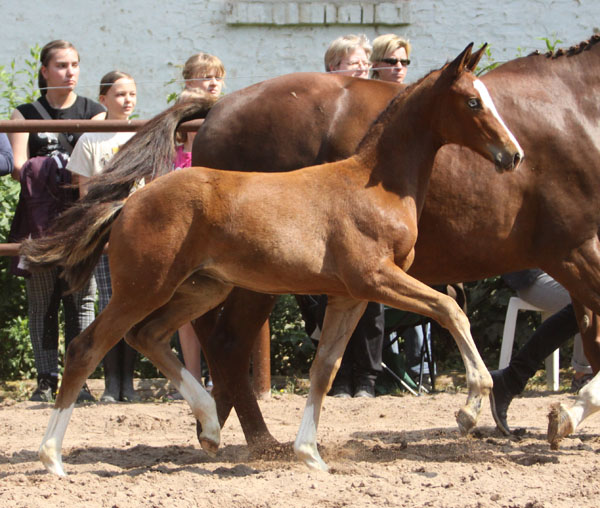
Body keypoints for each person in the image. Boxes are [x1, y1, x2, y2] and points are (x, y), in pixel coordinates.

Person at [7, 40, 105, 403]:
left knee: (82, 300)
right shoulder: (24, 113)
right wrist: (59, 167)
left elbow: (101, 165)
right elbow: (19, 168)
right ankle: (45, 380)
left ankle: (78, 379)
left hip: (82, 220)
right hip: (39, 220)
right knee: (42, 300)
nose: (70, 72)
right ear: (45, 71)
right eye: (62, 65)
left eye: (75, 64)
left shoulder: (94, 113)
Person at [67, 70, 140, 402]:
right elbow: (84, 191)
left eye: (132, 94)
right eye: (120, 94)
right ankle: (112, 383)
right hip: (105, 227)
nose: (127, 101)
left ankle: (129, 382)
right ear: (104, 99)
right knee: (110, 304)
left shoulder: (143, 134)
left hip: (139, 227)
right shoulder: (90, 140)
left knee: (137, 303)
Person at [320, 34, 382, 398]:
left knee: (371, 298)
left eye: (364, 61)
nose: (362, 66)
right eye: (353, 62)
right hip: (333, 211)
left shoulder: (375, 106)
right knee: (330, 299)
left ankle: (368, 379)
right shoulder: (327, 108)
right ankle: (340, 379)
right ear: (333, 67)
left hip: (366, 212)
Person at [172, 52, 226, 392]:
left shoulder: (227, 138)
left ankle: (221, 374)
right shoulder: (172, 149)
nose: (212, 82)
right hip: (184, 238)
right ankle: (191, 374)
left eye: (217, 76)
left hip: (218, 237)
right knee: (186, 310)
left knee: (222, 308)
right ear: (188, 82)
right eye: (205, 76)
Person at [489, 269, 593, 434]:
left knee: (582, 307)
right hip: (537, 273)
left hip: (565, 271)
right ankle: (584, 376)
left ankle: (510, 379)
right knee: (585, 305)